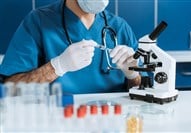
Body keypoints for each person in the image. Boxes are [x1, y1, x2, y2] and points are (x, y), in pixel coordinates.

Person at [0, 0, 141, 94]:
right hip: (57, 120)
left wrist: (133, 75)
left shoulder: (119, 27)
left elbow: (142, 91)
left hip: (112, 119)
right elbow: (10, 89)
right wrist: (57, 67)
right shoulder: (38, 22)